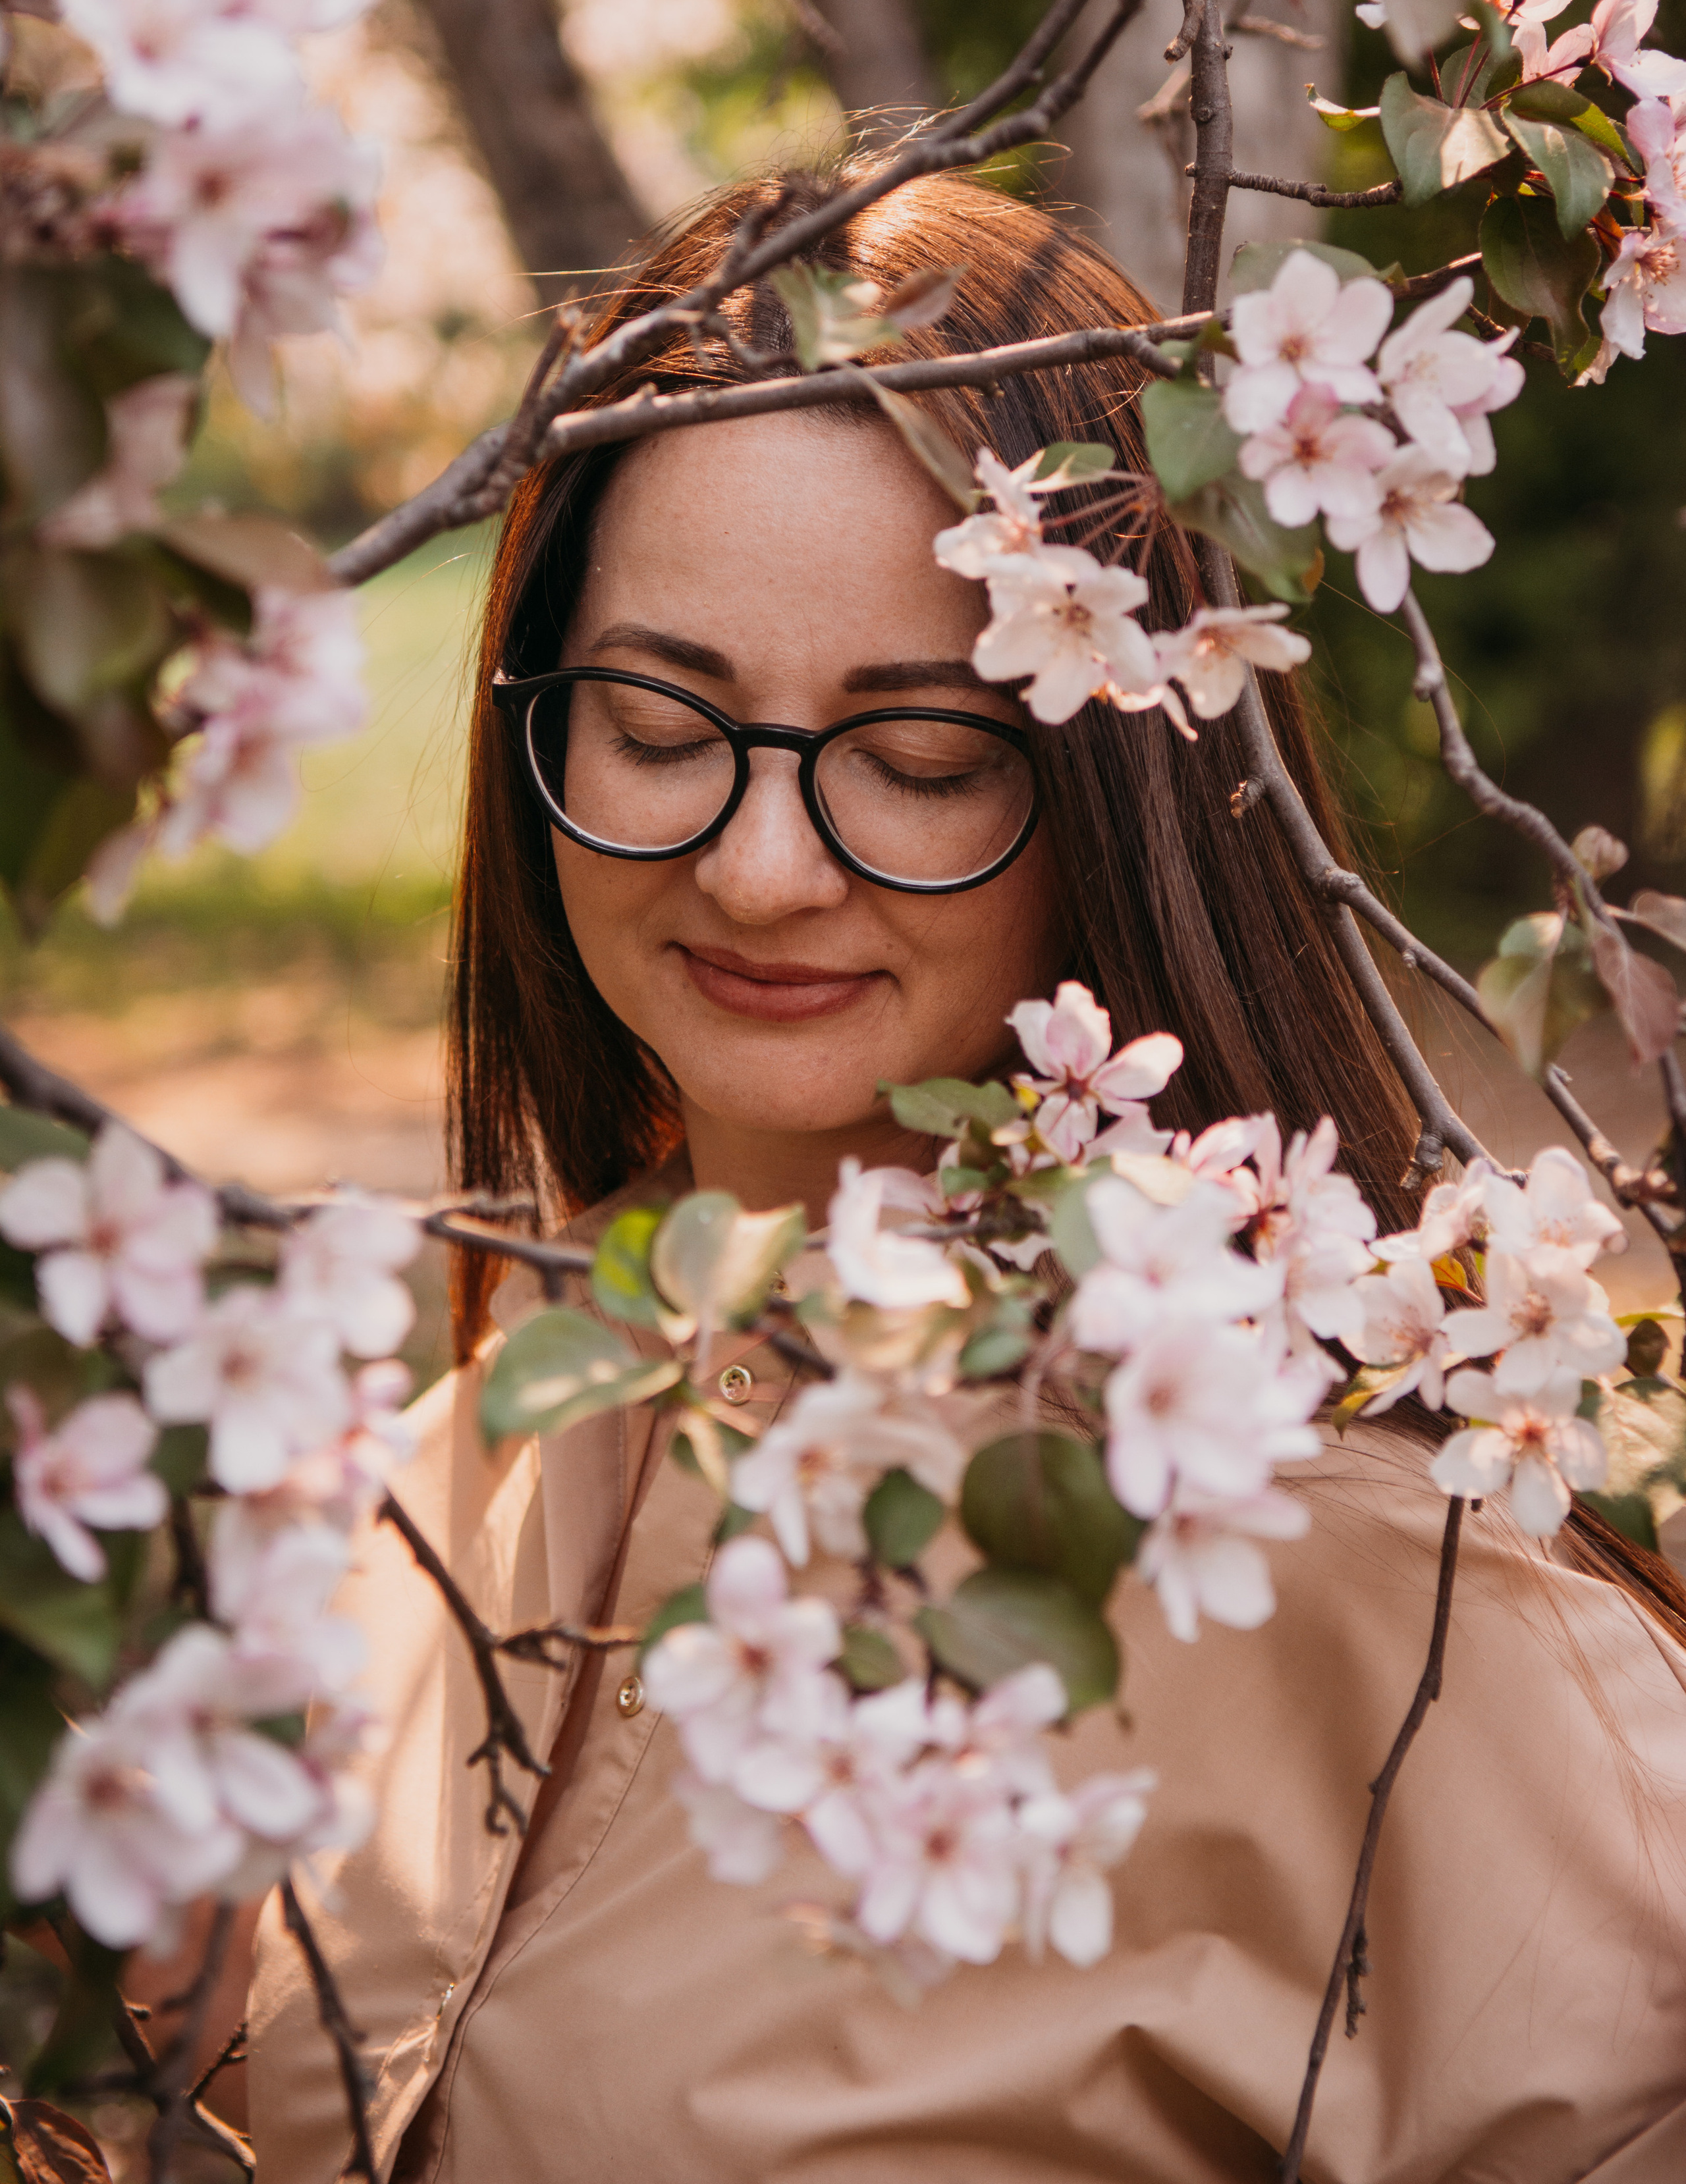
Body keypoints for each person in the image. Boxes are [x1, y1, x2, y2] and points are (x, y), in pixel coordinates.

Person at [244, 171, 1686, 2182]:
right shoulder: (444, 1470)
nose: (759, 870)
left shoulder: (1368, 1566)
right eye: (659, 725)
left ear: (1129, 780)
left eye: (921, 761)